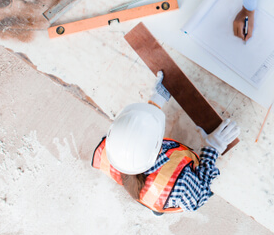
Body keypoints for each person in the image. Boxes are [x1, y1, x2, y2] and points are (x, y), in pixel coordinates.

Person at [91, 72, 241, 214]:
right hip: (167, 194)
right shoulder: (181, 185)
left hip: (149, 194)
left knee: (156, 203)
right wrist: (213, 148)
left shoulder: (118, 148)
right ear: (157, 147)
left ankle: (156, 207)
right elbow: (200, 196)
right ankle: (159, 208)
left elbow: (139, 130)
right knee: (161, 203)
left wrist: (158, 97)